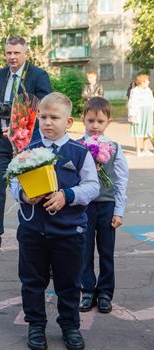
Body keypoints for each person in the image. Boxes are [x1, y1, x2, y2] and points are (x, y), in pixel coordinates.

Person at [10, 93, 100, 350]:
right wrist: (24, 195)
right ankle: (36, 325)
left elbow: (92, 186)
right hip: (33, 231)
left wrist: (67, 195)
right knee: (32, 281)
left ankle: (70, 326)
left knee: (69, 282)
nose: (47, 123)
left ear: (69, 121)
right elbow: (13, 184)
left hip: (69, 231)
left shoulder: (80, 152)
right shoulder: (28, 152)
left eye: (54, 118)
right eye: (43, 117)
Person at [0, 36, 52, 249]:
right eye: (9, 53)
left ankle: (43, 238)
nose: (12, 57)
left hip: (27, 142)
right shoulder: (2, 74)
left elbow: (46, 106)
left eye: (16, 53)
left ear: (25, 54)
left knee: (35, 189)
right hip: (3, 141)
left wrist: (19, 117)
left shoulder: (38, 75)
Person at [79, 97, 129, 314]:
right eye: (91, 120)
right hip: (84, 207)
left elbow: (121, 179)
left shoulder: (115, 148)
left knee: (106, 252)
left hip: (107, 206)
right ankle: (87, 291)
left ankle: (106, 292)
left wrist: (119, 210)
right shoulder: (77, 146)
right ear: (83, 120)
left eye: (100, 121)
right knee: (84, 250)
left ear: (108, 121)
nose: (95, 126)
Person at [127, 74, 154, 157]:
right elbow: (131, 103)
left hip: (148, 112)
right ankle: (138, 150)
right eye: (147, 80)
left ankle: (145, 149)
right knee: (138, 130)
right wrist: (133, 115)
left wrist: (152, 111)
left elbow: (152, 101)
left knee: (147, 130)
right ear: (142, 82)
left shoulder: (148, 90)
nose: (148, 82)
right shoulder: (134, 91)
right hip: (139, 113)